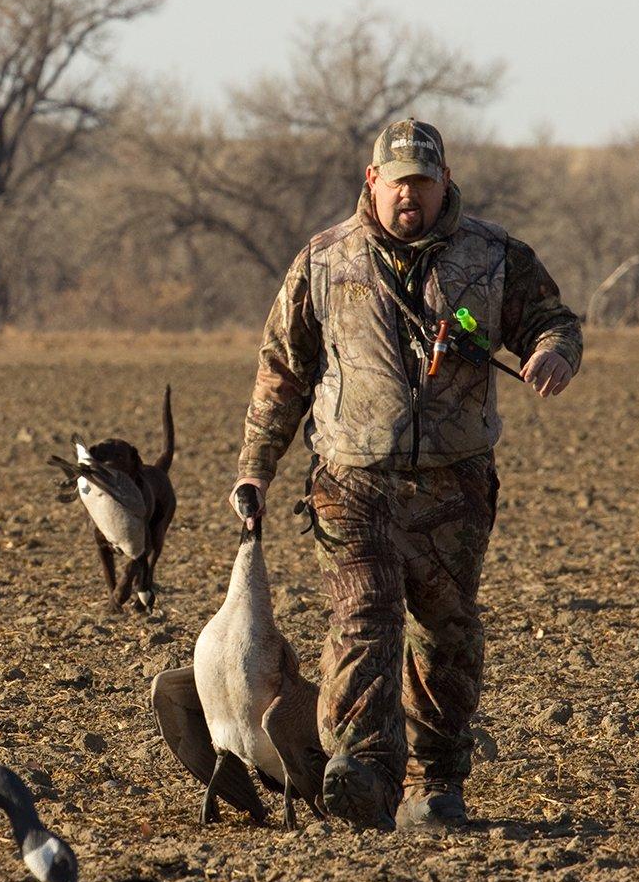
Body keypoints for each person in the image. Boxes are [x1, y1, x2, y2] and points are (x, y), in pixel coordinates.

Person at [231, 118, 582, 833]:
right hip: (351, 480)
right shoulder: (325, 263)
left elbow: (553, 320)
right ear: (373, 181)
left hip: (455, 485)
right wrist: (256, 471)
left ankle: (435, 785)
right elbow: (283, 373)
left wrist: (553, 352)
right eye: (398, 184)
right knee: (364, 617)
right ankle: (360, 770)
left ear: (444, 181)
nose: (409, 198)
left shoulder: (493, 257)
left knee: (443, 635)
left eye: (423, 183)